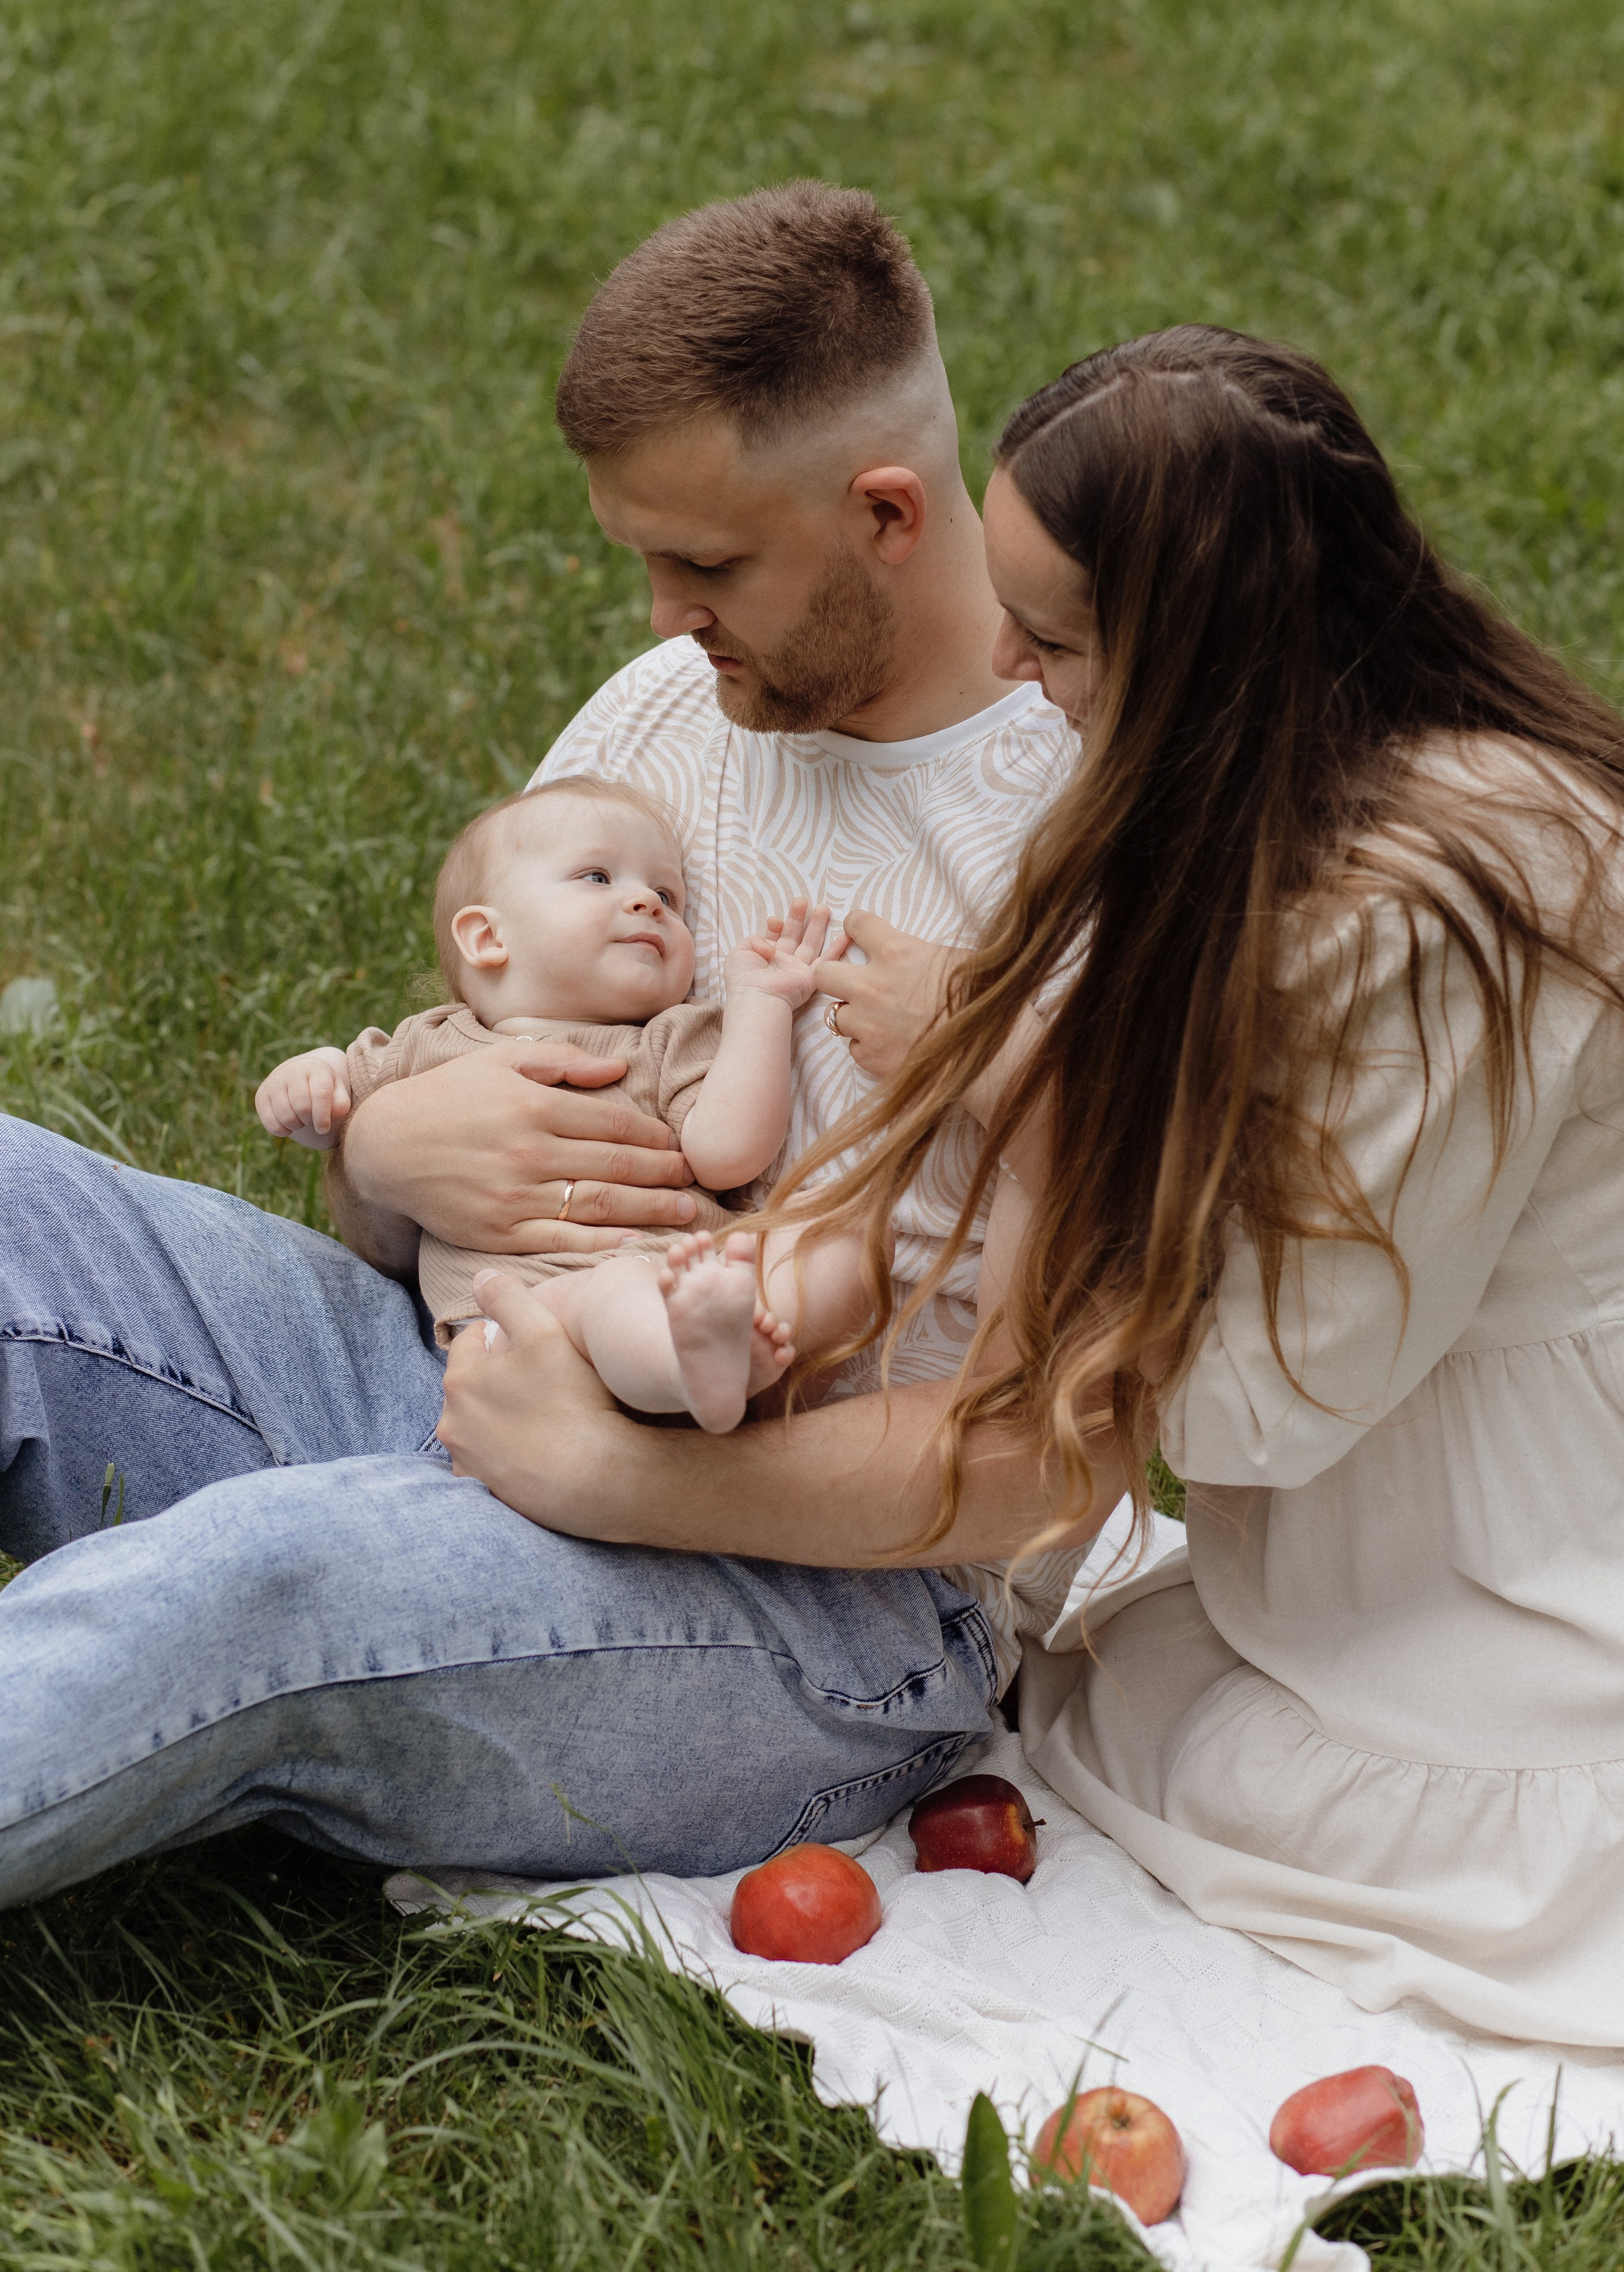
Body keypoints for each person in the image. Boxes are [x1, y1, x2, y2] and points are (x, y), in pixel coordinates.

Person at [444, 322, 1624, 2049]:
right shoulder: (1291, 804)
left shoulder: (1451, 899)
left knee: (1207, 1753)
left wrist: (1019, 1083)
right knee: (1120, 1697)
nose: (1004, 660)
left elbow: (1252, 1411)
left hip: (1509, 1571)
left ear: (1207, 653)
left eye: (1055, 633)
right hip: (1349, 1515)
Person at [0, 182, 1082, 1910]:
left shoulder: (1072, 843)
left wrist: (631, 1474)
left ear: (883, 509)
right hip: (480, 1381)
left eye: (706, 563)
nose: (662, 615)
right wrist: (380, 1160)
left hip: (836, 1612)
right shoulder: (669, 717)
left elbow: (1052, 1453)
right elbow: (469, 1105)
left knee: (266, 1573)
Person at [258, 774, 861, 1430]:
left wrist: (761, 1007)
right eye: (598, 878)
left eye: (668, 895)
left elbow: (726, 1155)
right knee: (608, 1294)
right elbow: (340, 1110)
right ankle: (694, 1367)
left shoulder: (670, 1040)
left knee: (843, 1253)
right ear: (489, 938)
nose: (647, 903)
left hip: (670, 1277)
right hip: (518, 1319)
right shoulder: (429, 1045)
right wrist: (310, 1079)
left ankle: (707, 1361)